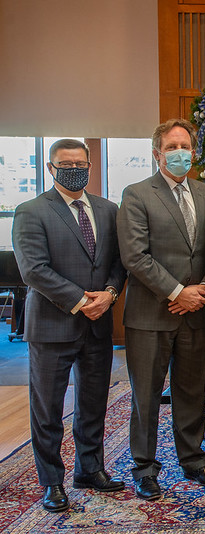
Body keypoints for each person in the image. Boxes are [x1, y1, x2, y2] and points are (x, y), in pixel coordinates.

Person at [12, 139, 127, 513]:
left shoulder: (109, 210)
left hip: (98, 324)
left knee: (93, 403)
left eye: (80, 162)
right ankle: (51, 482)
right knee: (47, 408)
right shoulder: (31, 211)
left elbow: (118, 263)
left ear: (90, 165)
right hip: (52, 325)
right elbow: (34, 270)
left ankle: (90, 469)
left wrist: (109, 293)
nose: (74, 168)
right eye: (65, 163)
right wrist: (82, 301)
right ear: (50, 168)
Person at [117, 118, 205, 500]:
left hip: (195, 310)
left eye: (185, 146)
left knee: (191, 391)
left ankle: (193, 459)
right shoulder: (137, 194)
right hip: (150, 315)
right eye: (172, 146)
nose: (180, 152)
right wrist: (177, 291)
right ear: (157, 153)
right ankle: (145, 467)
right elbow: (135, 256)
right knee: (145, 395)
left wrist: (204, 289)